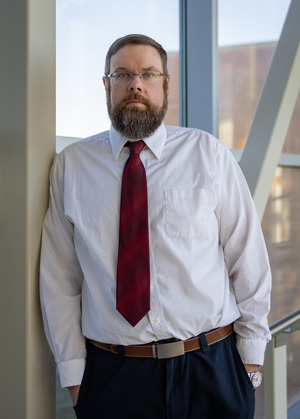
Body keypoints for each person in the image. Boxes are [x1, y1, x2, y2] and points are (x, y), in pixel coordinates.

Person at [40, 34, 272, 419]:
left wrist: (249, 360)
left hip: (212, 367)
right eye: (123, 74)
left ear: (165, 85)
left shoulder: (207, 154)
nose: (135, 83)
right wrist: (75, 376)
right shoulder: (72, 166)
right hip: (115, 376)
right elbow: (60, 279)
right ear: (106, 85)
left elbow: (247, 257)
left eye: (148, 74)